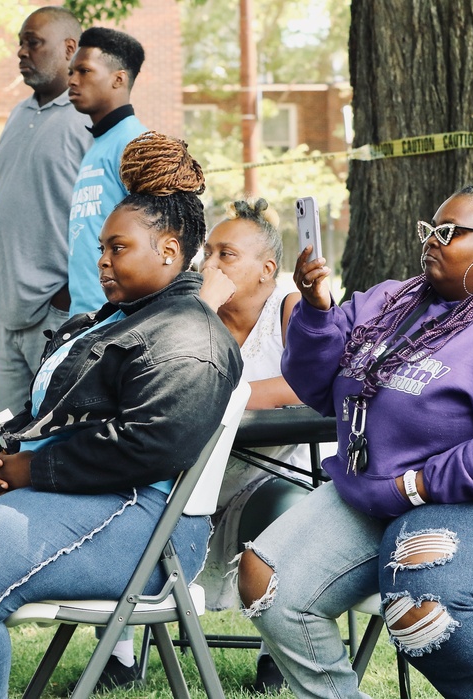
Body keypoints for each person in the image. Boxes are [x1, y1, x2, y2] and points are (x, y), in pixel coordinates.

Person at [0, 132, 243, 699]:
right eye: (102, 247)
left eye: (118, 248)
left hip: (145, 518)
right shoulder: (111, 319)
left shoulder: (190, 335)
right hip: (64, 492)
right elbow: (50, 410)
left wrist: (32, 472)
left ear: (169, 251)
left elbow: (151, 446)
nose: (101, 260)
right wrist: (4, 454)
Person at [237, 149, 473, 699]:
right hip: (378, 491)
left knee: (420, 603)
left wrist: (419, 483)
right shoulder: (391, 302)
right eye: (431, 228)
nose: (432, 239)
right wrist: (315, 309)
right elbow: (315, 382)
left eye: (450, 232)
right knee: (268, 581)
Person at [196, 198, 312, 693]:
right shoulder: (196, 316)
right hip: (200, 475)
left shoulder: (289, 309)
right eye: (207, 252)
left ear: (268, 270)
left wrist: (229, 397)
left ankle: (277, 654)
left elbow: (305, 384)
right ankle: (121, 650)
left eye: (226, 254)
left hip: (274, 468)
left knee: (289, 510)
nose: (210, 264)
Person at [0, 7, 92, 414]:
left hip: (52, 316)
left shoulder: (86, 121)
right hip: (2, 315)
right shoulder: (16, 114)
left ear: (69, 49)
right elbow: (6, 200)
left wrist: (62, 299)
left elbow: (102, 217)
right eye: (20, 44)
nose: (21, 52)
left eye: (33, 42)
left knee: (49, 440)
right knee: (6, 441)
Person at [66, 26, 149, 316]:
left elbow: (159, 236)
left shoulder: (136, 144)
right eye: (70, 72)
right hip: (85, 315)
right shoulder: (97, 144)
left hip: (118, 320)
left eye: (84, 71)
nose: (72, 81)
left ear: (118, 79)